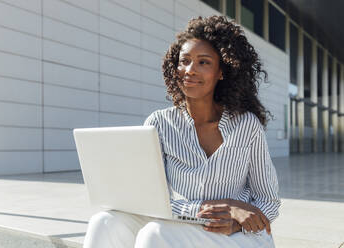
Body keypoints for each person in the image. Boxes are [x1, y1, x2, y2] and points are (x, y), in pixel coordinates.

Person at [83, 15, 281, 248]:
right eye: (184, 61)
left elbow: (268, 201)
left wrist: (236, 221)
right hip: (179, 223)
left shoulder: (246, 125)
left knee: (154, 234)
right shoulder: (159, 123)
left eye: (203, 62)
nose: (190, 70)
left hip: (234, 236)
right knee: (103, 222)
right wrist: (218, 206)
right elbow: (149, 201)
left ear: (222, 71)